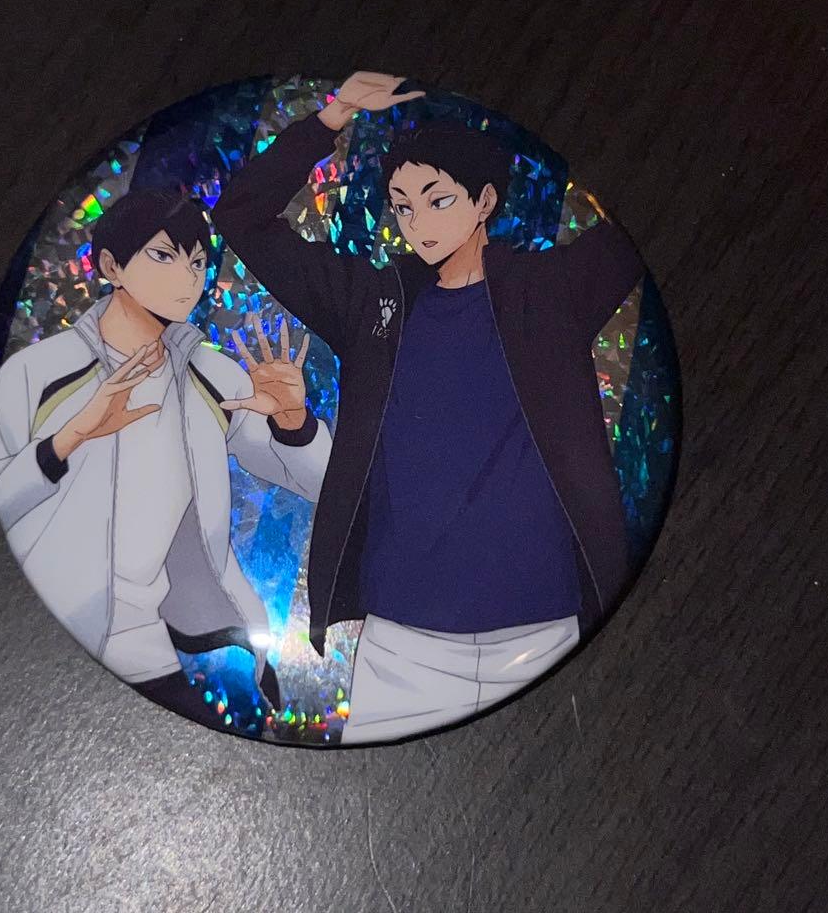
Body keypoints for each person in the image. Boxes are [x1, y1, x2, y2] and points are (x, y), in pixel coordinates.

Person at [210, 71, 645, 744]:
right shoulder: (373, 302)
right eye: (402, 206)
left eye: (439, 200)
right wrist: (332, 117)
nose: (418, 223)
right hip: (403, 646)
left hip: (546, 628)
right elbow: (240, 216)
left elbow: (631, 239)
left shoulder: (551, 289)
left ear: (485, 200)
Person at [0, 186, 331, 731]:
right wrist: (68, 437)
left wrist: (295, 422)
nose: (187, 278)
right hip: (28, 633)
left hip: (152, 644)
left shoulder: (213, 378)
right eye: (163, 255)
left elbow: (319, 484)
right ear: (111, 266)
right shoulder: (37, 374)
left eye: (197, 263)